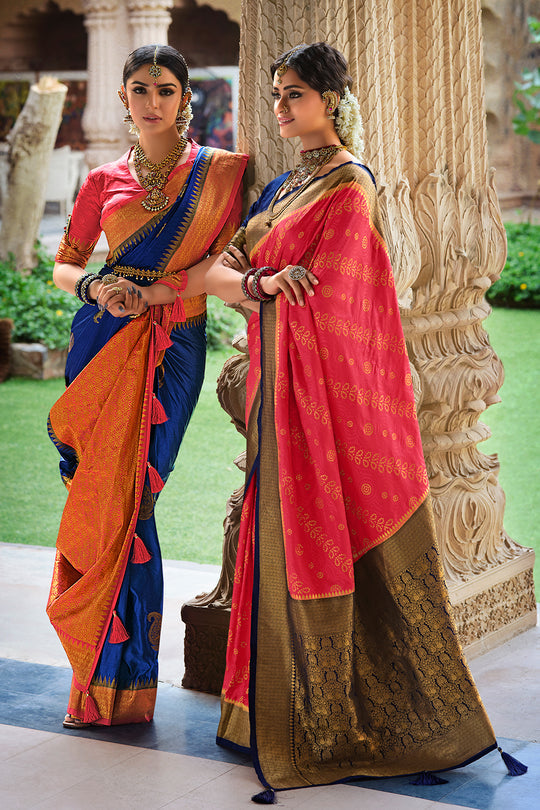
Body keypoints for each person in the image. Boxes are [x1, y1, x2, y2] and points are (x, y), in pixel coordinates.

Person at [205, 42, 522, 801]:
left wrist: (258, 287)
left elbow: (340, 307)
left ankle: (328, 721)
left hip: (323, 406)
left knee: (326, 543)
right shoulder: (284, 187)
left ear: (332, 101)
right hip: (276, 398)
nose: (281, 107)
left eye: (295, 95)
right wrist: (258, 281)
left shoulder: (350, 187)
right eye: (277, 94)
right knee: (266, 537)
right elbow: (216, 271)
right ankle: (257, 710)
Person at [47, 44, 247, 728]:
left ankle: (120, 678)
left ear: (185, 97)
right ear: (126, 98)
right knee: (107, 503)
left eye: (166, 88)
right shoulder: (104, 180)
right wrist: (102, 285)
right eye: (141, 88)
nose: (153, 99)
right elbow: (65, 266)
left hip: (175, 346)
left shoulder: (219, 173)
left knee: (138, 498)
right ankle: (105, 681)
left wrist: (163, 292)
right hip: (105, 344)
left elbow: (231, 257)